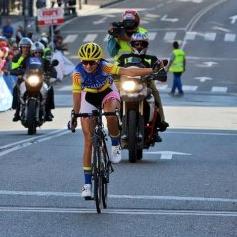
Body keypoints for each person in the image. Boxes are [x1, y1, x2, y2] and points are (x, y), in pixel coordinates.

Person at [68, 42, 165, 198]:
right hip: (89, 97)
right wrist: (74, 114)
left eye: (91, 62)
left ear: (98, 61)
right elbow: (77, 96)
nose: (88, 65)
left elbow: (128, 72)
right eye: (84, 61)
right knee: (88, 140)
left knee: (111, 113)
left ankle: (115, 144)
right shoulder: (78, 74)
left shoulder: (105, 67)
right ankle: (87, 185)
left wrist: (151, 69)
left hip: (107, 93)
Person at [116, 32, 169, 142]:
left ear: (146, 45)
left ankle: (158, 125)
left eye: (142, 44)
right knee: (113, 97)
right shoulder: (123, 58)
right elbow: (114, 67)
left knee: (156, 96)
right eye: (136, 44)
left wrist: (160, 73)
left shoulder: (152, 58)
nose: (139, 46)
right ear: (132, 45)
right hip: (125, 84)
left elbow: (160, 69)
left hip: (146, 83)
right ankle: (112, 121)